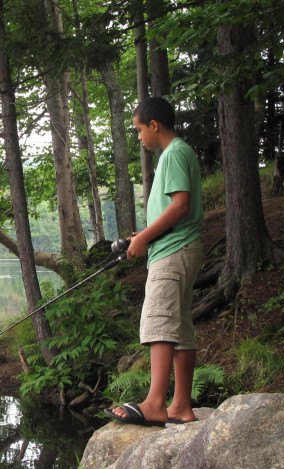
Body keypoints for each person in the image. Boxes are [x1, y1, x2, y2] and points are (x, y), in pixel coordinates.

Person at [105, 96, 204, 427]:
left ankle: (155, 403)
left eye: (138, 130)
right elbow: (172, 211)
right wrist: (144, 235)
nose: (139, 137)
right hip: (178, 247)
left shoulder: (174, 153)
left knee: (159, 321)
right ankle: (181, 406)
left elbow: (180, 206)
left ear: (154, 125)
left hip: (173, 252)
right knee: (180, 328)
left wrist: (145, 238)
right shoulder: (177, 153)